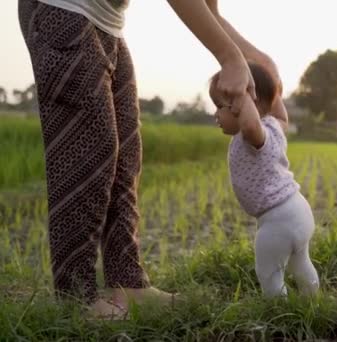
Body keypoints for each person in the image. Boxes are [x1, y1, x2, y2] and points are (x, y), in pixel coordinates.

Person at [17, 0, 255, 318]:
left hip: (107, 21)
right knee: (89, 152)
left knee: (126, 155)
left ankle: (128, 284)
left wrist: (247, 56)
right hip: (64, 10)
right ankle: (75, 300)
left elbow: (208, 8)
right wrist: (229, 56)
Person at [209, 63, 320, 297]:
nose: (216, 114)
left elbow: (249, 123)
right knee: (300, 263)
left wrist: (241, 91)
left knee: (268, 272)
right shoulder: (275, 125)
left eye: (220, 106)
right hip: (296, 211)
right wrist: (274, 84)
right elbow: (280, 112)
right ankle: (313, 301)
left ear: (248, 102)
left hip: (278, 220)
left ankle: (276, 314)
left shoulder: (256, 135)